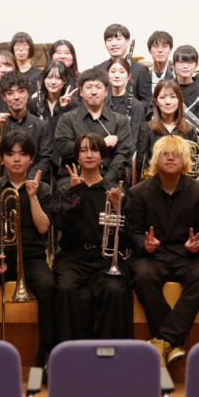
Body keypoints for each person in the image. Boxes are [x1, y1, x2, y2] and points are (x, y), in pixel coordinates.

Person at [126, 136, 199, 367]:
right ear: (156, 159)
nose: (171, 158)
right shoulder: (138, 192)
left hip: (187, 254)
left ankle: (162, 341)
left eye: (176, 154)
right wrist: (144, 244)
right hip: (152, 255)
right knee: (143, 276)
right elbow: (132, 233)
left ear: (185, 160)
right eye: (165, 154)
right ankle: (171, 342)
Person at [0, 132, 56, 371]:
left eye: (22, 154)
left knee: (49, 287)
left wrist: (33, 198)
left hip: (32, 257)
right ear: (2, 158)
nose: (16, 159)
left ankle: (46, 354)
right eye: (10, 154)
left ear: (31, 158)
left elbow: (44, 228)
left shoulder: (43, 189)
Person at [53, 133, 132, 341]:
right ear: (77, 157)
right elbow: (64, 226)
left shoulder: (114, 191)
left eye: (95, 150)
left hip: (104, 259)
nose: (89, 154)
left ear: (103, 156)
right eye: (83, 150)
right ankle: (70, 354)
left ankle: (109, 353)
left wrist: (118, 208)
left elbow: (126, 237)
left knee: (114, 290)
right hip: (73, 258)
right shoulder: (65, 189)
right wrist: (74, 195)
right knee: (66, 289)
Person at [55, 68, 133, 189]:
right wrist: (100, 144)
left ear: (106, 91)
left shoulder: (120, 121)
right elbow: (63, 149)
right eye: (89, 87)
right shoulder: (67, 119)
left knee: (117, 194)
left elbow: (123, 155)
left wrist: (105, 181)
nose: (94, 92)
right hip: (74, 176)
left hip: (108, 176)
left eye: (98, 87)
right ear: (81, 91)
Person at [0, 72, 53, 183]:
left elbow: (46, 160)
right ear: (3, 97)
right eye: (10, 93)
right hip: (0, 182)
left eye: (21, 91)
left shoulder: (42, 125)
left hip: (31, 181)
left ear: (27, 93)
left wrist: (26, 180)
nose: (17, 97)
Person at [135, 80, 197, 182]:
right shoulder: (147, 129)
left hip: (183, 183)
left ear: (179, 100)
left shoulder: (189, 130)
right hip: (154, 183)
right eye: (162, 97)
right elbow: (141, 164)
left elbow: (194, 163)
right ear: (156, 101)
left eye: (173, 97)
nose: (168, 102)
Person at [29, 60, 76, 184]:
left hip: (63, 161)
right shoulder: (34, 102)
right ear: (44, 79)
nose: (53, 82)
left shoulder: (73, 104)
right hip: (39, 158)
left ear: (65, 80)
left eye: (58, 78)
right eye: (49, 77)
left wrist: (63, 108)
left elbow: (65, 134)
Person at [96, 24, 152, 103]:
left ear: (128, 41)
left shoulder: (140, 70)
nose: (114, 43)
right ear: (105, 44)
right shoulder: (98, 69)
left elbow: (146, 100)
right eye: (109, 40)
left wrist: (133, 109)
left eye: (118, 39)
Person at [107, 58, 147, 154]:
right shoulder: (102, 102)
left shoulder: (136, 105)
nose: (117, 75)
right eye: (113, 72)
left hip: (126, 157)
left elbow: (135, 140)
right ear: (107, 75)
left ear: (128, 76)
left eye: (121, 72)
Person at [172, 44, 199, 127]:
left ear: (196, 65)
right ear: (174, 65)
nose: (185, 66)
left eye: (190, 62)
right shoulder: (166, 90)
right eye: (181, 62)